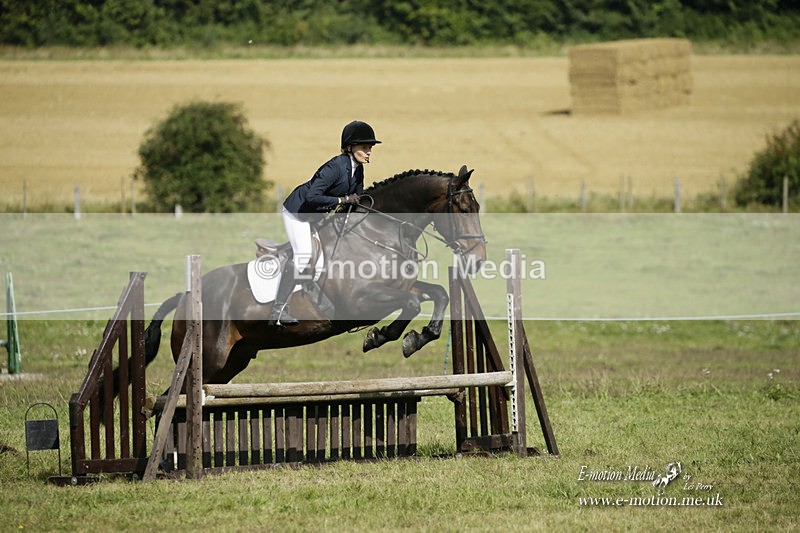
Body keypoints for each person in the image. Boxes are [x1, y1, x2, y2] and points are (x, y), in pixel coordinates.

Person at [266, 120, 381, 326]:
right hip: (298, 212)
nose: (368, 151)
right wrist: (341, 200)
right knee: (303, 256)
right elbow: (312, 196)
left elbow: (358, 196)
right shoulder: (335, 167)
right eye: (365, 147)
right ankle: (278, 309)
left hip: (318, 215)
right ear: (350, 147)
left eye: (370, 147)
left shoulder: (358, 169)